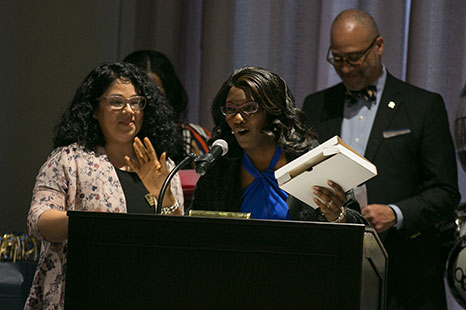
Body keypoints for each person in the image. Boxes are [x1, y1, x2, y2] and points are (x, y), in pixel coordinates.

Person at [302, 9, 460, 310]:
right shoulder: (317, 106)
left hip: (406, 272)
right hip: (334, 270)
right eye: (337, 58)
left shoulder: (423, 106)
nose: (346, 68)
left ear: (379, 46)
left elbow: (446, 192)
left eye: (355, 57)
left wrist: (396, 213)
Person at [24, 62, 184, 310]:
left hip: (146, 293)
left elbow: (178, 239)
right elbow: (38, 221)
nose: (129, 111)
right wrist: (83, 221)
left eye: (136, 102)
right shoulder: (69, 160)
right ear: (94, 109)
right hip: (85, 292)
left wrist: (164, 197)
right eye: (117, 102)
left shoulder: (162, 165)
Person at [189, 66, 367, 224]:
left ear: (272, 110)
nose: (237, 119)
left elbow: (359, 226)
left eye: (249, 108)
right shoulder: (221, 165)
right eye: (231, 109)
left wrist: (338, 216)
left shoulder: (309, 156)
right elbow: (198, 229)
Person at [123, 50, 211, 164]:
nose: (150, 101)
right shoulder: (114, 139)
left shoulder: (193, 136)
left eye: (156, 93)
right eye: (140, 95)